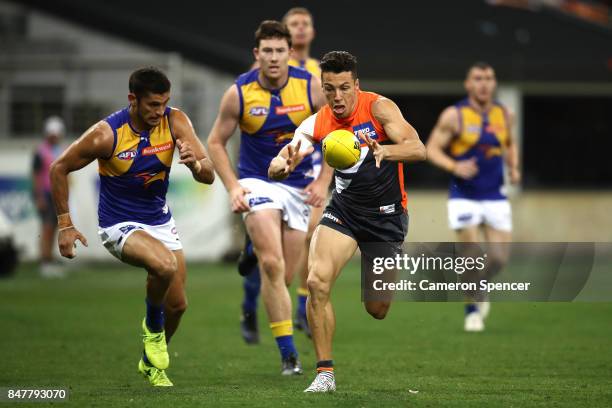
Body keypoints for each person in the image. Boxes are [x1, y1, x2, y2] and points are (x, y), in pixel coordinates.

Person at [268, 51, 426, 392]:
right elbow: (284, 157)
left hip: (386, 218)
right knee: (316, 282)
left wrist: (385, 151)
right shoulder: (318, 122)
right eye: (329, 89)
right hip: (345, 212)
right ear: (323, 89)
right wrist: (281, 166)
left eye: (343, 88)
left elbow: (418, 149)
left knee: (377, 308)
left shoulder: (379, 108)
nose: (337, 97)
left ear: (356, 85)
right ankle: (325, 373)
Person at [50, 67, 215, 386]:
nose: (159, 111)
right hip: (118, 224)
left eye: (164, 103)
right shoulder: (106, 134)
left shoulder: (175, 120)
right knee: (164, 266)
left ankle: (149, 363)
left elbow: (208, 174)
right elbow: (59, 168)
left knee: (178, 306)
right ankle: (153, 331)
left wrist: (195, 164)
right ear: (133, 100)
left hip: (160, 221)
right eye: (153, 104)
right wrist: (65, 224)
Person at [207, 20, 328, 375]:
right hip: (257, 183)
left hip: (299, 188)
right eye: (267, 52)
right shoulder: (239, 93)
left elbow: (334, 133)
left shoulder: (310, 87)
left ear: (290, 53)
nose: (273, 58)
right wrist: (233, 186)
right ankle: (288, 355)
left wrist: (323, 180)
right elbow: (216, 141)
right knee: (272, 266)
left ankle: (250, 249)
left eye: (280, 51)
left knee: (285, 275)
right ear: (256, 54)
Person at [238, 7, 325, 342]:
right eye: (294, 25)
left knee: (309, 234)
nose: (301, 30)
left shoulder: (317, 74)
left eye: (306, 24)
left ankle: (301, 303)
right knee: (268, 256)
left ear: (311, 33)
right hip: (264, 171)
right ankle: (249, 305)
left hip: (307, 166)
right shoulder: (258, 72)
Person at [426, 62, 520, 332]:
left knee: (499, 259)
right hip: (463, 195)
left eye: (488, 78)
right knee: (471, 253)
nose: (483, 83)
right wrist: (454, 166)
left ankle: (480, 287)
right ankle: (471, 310)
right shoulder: (454, 115)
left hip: (495, 195)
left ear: (494, 83)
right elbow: (432, 149)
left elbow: (509, 143)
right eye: (478, 78)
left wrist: (513, 168)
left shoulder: (505, 113)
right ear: (468, 84)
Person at [32, 116, 65, 278]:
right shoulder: (40, 151)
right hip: (45, 193)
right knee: (46, 227)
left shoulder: (60, 150)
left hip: (56, 193)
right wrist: (39, 197)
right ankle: (44, 261)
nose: (54, 136)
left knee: (54, 228)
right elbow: (36, 175)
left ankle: (50, 258)